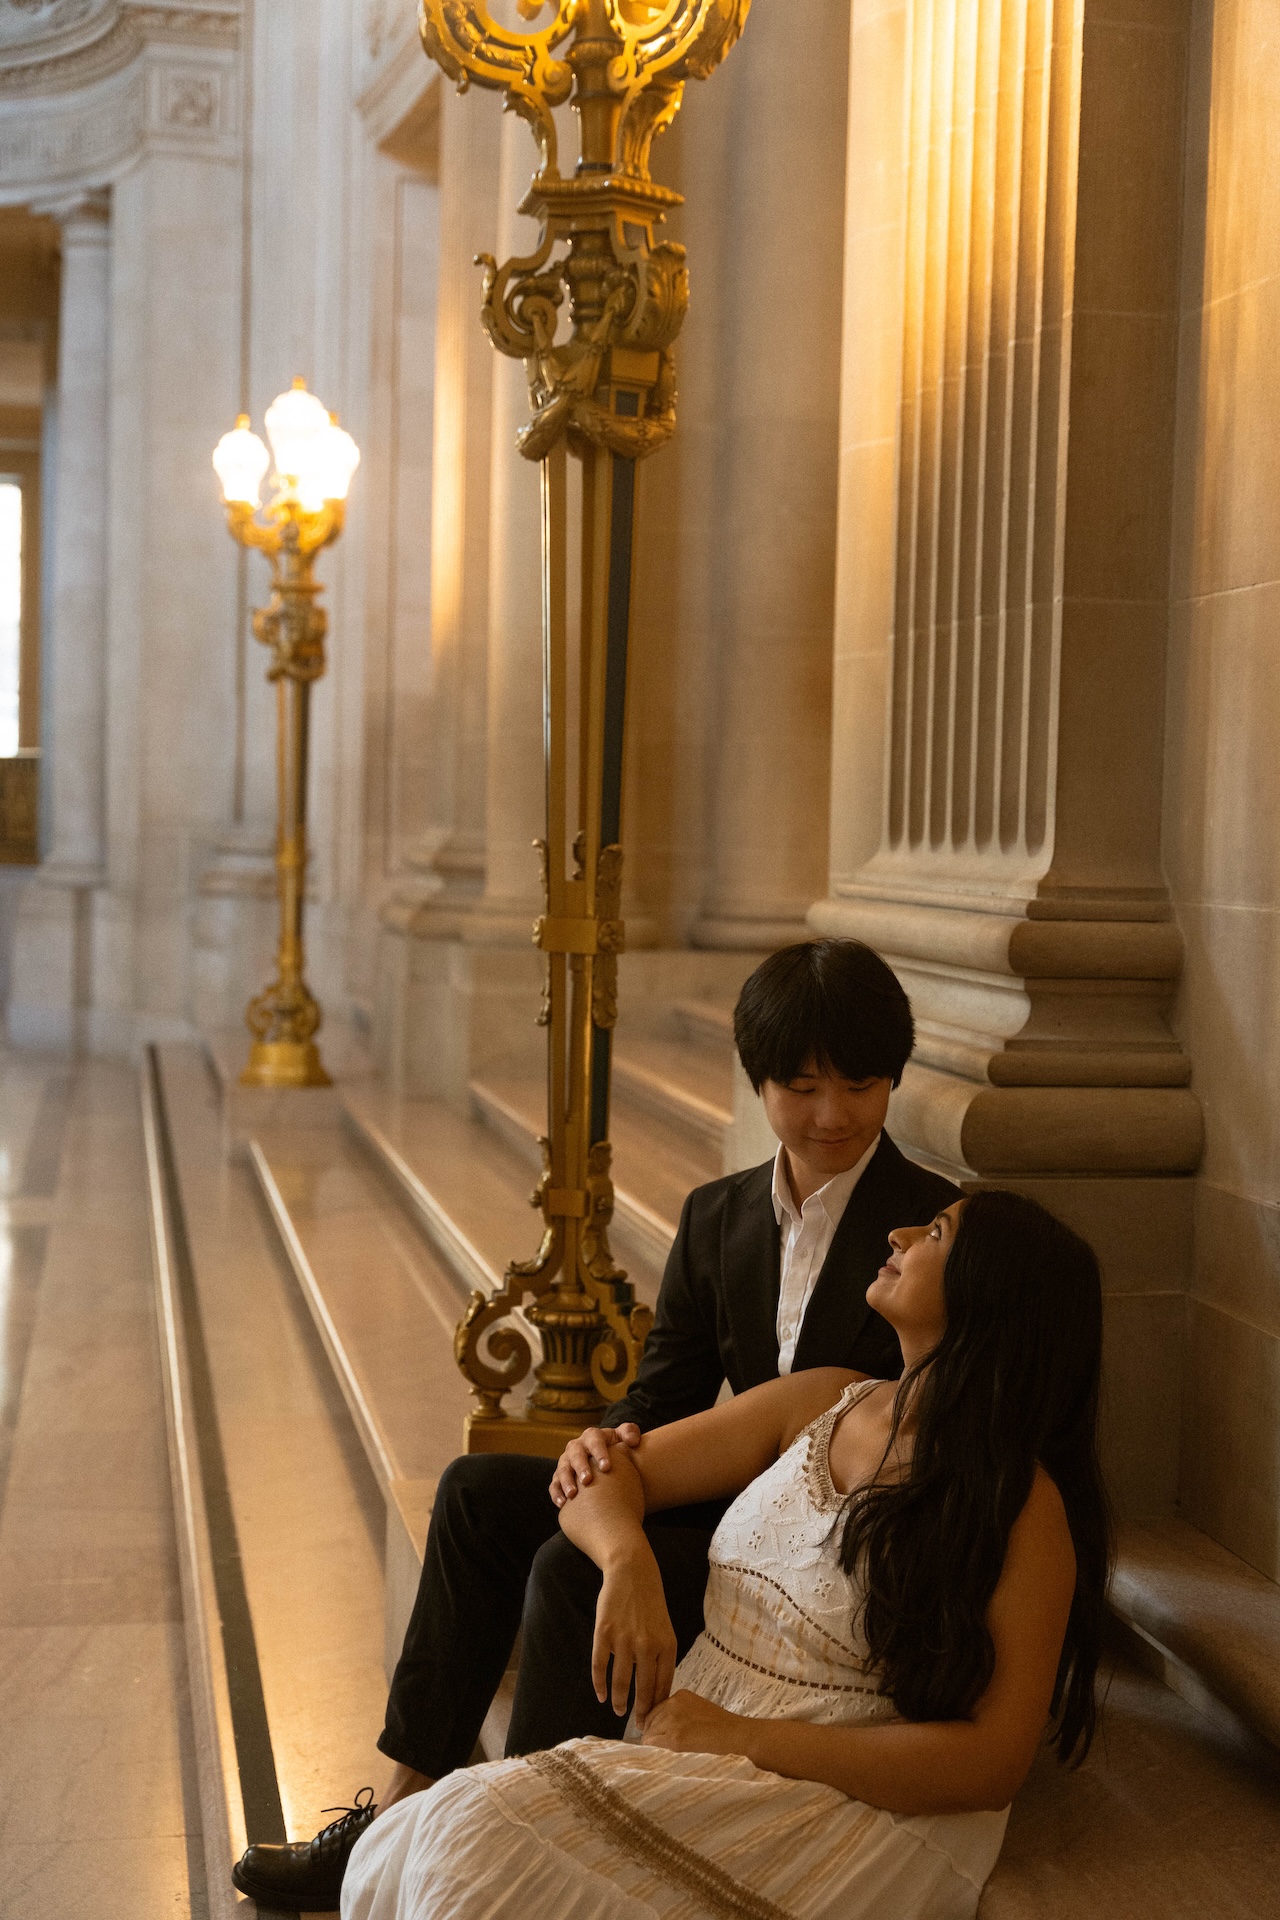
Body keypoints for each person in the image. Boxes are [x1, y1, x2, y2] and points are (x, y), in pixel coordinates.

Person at [233, 940, 961, 1911]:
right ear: (759, 1085)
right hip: (710, 1491)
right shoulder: (716, 1215)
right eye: (801, 1085)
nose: (831, 1115)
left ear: (891, 1081)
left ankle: (519, 1848)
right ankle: (405, 1798)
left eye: (859, 1085)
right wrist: (602, 1446)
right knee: (477, 1498)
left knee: (567, 1569)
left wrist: (624, 1544)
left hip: (807, 1554)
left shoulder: (928, 1233)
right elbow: (659, 1396)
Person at [341, 1189, 1111, 1920]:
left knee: (467, 1839)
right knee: (421, 1837)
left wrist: (744, 1740)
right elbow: (602, 1477)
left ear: (991, 1299)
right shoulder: (825, 1398)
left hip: (828, 1794)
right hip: (697, 1736)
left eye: (936, 1234)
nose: (900, 1235)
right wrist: (626, 1563)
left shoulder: (1021, 1506)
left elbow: (993, 1763)